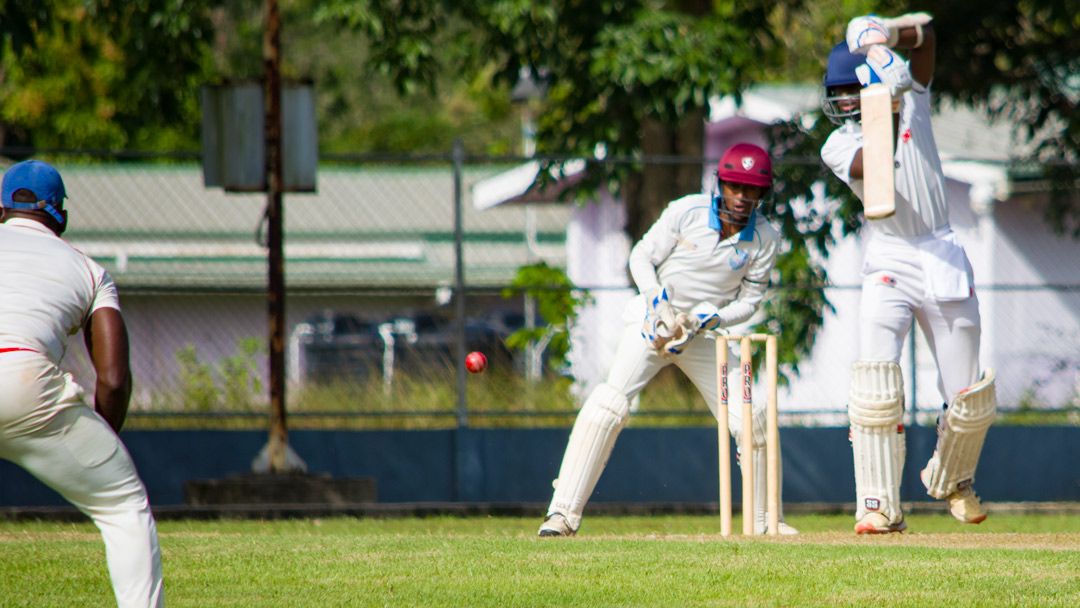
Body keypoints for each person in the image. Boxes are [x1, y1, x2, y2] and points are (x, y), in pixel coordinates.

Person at [538, 143, 798, 537]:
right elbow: (641, 257)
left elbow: (749, 301)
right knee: (608, 405)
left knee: (753, 415)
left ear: (762, 194)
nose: (742, 197)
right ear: (721, 184)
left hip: (702, 333)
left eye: (752, 190)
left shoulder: (765, 237)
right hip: (653, 325)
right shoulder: (686, 211)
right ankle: (562, 514)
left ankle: (764, 523)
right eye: (735, 187)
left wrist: (709, 318)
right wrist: (657, 302)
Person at [820, 13, 996, 534]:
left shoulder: (915, 94)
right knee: (874, 381)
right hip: (890, 257)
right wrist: (884, 101)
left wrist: (884, 35)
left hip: (941, 251)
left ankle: (954, 480)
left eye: (851, 92)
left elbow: (929, 35)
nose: (845, 102)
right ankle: (877, 505)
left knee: (969, 396)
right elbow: (872, 166)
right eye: (839, 94)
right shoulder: (837, 144)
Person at [0, 160, 164, 606]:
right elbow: (113, 379)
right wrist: (104, 442)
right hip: (26, 384)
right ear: (62, 215)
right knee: (122, 506)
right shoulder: (89, 271)